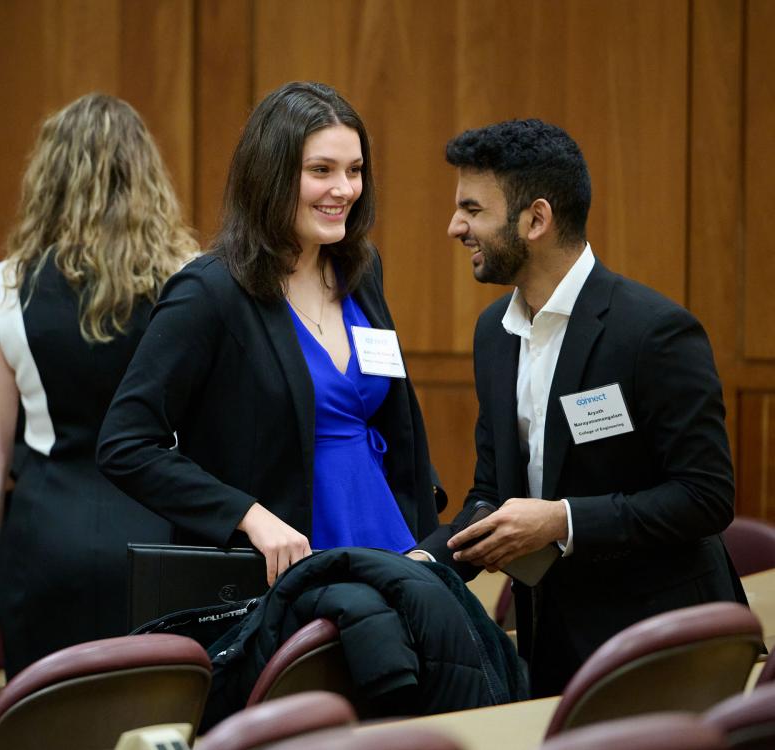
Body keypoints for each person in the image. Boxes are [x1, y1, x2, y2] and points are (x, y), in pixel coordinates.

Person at [425, 118, 747, 697]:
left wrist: (563, 520)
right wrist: (418, 567)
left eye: (473, 210)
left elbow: (706, 497)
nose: (455, 227)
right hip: (550, 644)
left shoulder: (653, 332)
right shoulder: (492, 333)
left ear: (536, 220)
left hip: (667, 648)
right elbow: (492, 493)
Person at [98, 81, 446, 587]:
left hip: (393, 548)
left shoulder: (363, 269)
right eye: (321, 171)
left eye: (355, 171)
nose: (344, 189)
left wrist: (424, 526)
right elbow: (126, 445)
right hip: (289, 570)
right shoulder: (208, 292)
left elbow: (396, 417)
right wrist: (248, 516)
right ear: (271, 176)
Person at [0, 93, 198, 686]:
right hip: (164, 544)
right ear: (147, 176)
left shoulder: (5, 288)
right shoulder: (193, 277)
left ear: (47, 178)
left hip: (45, 546)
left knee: (48, 725)